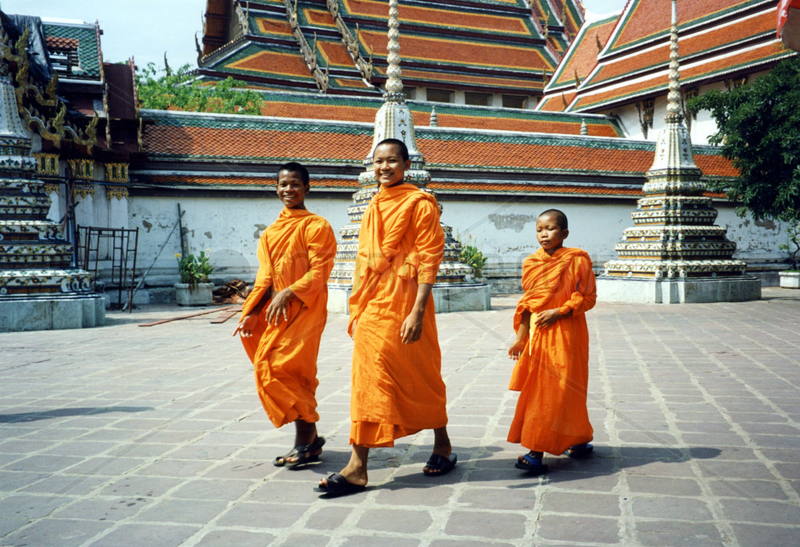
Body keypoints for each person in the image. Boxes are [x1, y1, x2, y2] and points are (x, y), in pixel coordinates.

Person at [315, 138, 456, 496]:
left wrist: (418, 312)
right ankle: (357, 466)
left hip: (407, 301)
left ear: (407, 164)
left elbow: (429, 257)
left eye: (392, 161)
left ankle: (442, 443)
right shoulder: (375, 203)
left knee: (421, 374)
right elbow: (365, 258)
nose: (384, 168)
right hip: (374, 302)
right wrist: (357, 302)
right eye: (378, 162)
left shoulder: (420, 203)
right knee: (368, 379)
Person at [236, 162, 337, 469]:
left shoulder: (317, 226)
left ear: (307, 188)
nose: (288, 190)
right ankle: (308, 441)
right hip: (277, 310)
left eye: (295, 184)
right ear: (275, 188)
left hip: (307, 307)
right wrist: (253, 313)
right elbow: (265, 279)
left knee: (284, 368)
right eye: (283, 184)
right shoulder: (270, 234)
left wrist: (289, 292)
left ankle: (305, 441)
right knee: (272, 369)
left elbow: (320, 272)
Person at [506, 209, 597, 475]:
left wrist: (560, 311)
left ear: (564, 233)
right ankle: (574, 440)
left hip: (568, 333)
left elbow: (588, 297)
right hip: (539, 334)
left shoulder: (577, 259)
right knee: (542, 390)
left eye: (550, 229)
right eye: (539, 230)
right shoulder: (531, 263)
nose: (544, 234)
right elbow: (527, 305)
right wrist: (520, 339)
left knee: (563, 389)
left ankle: (538, 450)